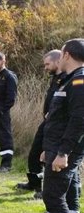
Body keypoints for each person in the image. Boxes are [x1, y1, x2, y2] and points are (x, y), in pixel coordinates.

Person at [28, 39, 84, 213]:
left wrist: (62, 153)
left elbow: (79, 120)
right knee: (68, 195)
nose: (59, 58)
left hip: (65, 150)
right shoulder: (69, 79)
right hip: (57, 147)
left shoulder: (79, 81)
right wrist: (48, 148)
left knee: (52, 197)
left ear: (67, 55)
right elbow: (59, 118)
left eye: (60, 54)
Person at [17, 50, 65, 199]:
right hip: (47, 122)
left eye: (47, 64)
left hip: (57, 124)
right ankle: (34, 183)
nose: (45, 68)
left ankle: (46, 190)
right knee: (35, 152)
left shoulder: (66, 80)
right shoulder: (55, 78)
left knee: (48, 157)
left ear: (58, 61)